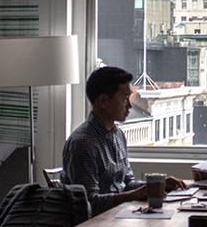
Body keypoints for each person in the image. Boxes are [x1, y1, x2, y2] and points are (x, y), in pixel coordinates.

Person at [62, 66, 187, 216]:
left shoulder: (118, 135)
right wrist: (132, 196)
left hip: (118, 216)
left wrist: (157, 186)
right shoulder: (82, 144)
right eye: (125, 98)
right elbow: (88, 203)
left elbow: (127, 183)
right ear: (103, 101)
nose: (129, 105)